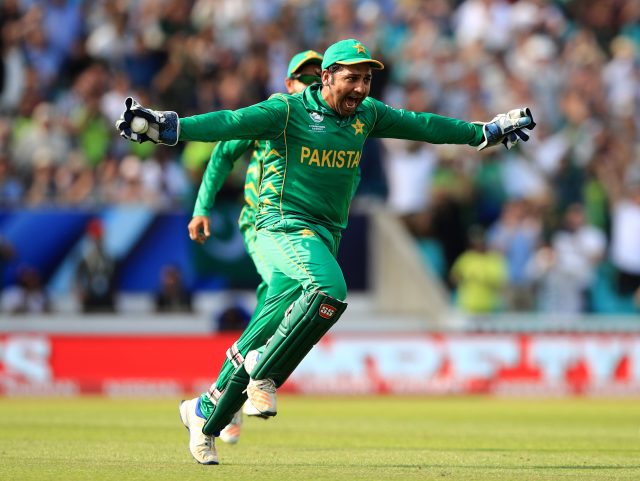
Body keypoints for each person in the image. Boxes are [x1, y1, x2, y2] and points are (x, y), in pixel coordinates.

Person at [116, 38, 535, 465]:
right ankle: (265, 375)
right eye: (352, 78)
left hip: (323, 232)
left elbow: (424, 125)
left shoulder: (367, 115)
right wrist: (168, 128)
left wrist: (483, 133)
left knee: (269, 327)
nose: (361, 88)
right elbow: (226, 126)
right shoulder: (285, 110)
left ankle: (204, 414)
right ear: (326, 77)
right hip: (280, 227)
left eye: (367, 79)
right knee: (330, 289)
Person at [187, 49, 325, 447]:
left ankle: (216, 400)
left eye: (319, 78)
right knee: (292, 287)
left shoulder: (325, 123)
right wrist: (202, 207)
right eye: (304, 78)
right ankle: (235, 390)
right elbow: (222, 152)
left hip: (302, 228)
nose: (312, 85)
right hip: (263, 225)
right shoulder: (277, 113)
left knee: (275, 305)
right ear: (288, 84)